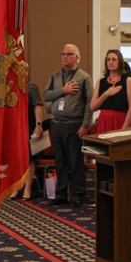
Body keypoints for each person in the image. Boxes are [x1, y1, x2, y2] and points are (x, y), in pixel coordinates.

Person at [43, 44, 93, 207]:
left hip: (74, 124)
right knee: (60, 161)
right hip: (57, 124)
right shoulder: (55, 76)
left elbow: (90, 103)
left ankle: (79, 194)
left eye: (69, 54)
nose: (65, 56)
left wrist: (85, 125)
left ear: (77, 57)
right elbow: (46, 95)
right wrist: (63, 90)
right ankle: (61, 194)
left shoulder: (84, 77)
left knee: (76, 161)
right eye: (63, 53)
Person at [90, 49, 131, 132]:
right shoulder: (100, 82)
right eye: (108, 60)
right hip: (104, 120)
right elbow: (93, 107)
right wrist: (106, 94)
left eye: (114, 59)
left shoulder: (128, 80)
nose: (111, 62)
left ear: (120, 62)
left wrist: (124, 129)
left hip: (121, 120)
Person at [23, 67, 44, 200]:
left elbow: (38, 106)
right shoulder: (8, 88)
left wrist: (38, 124)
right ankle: (15, 188)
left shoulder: (31, 87)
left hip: (28, 122)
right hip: (14, 124)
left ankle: (27, 188)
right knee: (15, 158)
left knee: (28, 157)